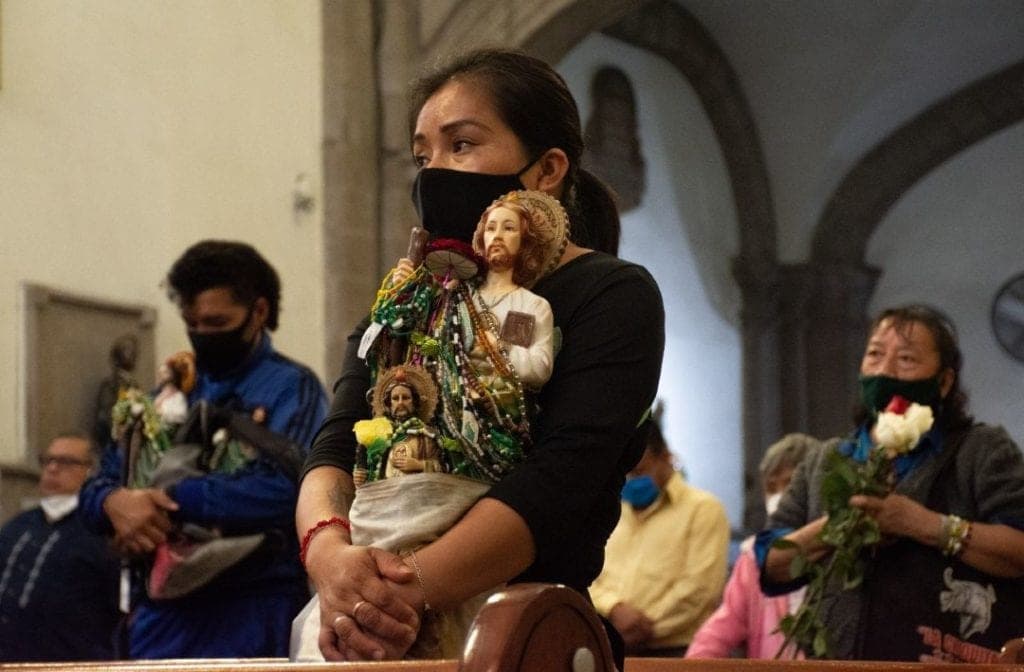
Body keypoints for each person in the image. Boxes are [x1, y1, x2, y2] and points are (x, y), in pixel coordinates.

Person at [296, 48, 665, 663]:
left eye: (461, 145)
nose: (434, 172)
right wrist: (331, 561)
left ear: (547, 169)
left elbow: (561, 480)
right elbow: (333, 447)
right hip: (363, 623)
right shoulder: (402, 304)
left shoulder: (610, 294)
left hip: (523, 631)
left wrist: (401, 593)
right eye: (423, 156)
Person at [80, 240, 329, 659]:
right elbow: (98, 481)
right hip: (161, 616)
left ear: (259, 312)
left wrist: (167, 501)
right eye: (191, 324)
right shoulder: (166, 396)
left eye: (216, 322)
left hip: (252, 606)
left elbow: (292, 490)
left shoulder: (293, 389)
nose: (202, 336)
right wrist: (112, 503)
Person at [757, 304, 1024, 661]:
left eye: (906, 359)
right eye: (875, 355)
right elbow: (771, 561)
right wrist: (838, 527)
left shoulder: (979, 450)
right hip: (834, 662)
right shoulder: (825, 459)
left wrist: (923, 524)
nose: (885, 371)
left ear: (944, 381)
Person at [590, 415, 730, 657]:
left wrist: (643, 628)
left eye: (638, 471)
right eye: (624, 474)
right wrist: (613, 608)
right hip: (610, 645)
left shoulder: (703, 509)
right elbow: (588, 576)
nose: (630, 481)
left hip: (675, 651)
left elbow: (700, 590)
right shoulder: (610, 512)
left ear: (665, 457)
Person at [686, 432, 820, 659]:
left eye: (790, 484)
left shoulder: (839, 548)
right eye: (771, 488)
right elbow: (719, 631)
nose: (779, 496)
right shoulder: (754, 558)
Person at [0, 433, 121, 662]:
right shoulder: (18, 525)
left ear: (92, 471)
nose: (52, 469)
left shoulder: (102, 532)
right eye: (48, 460)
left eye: (66, 462)